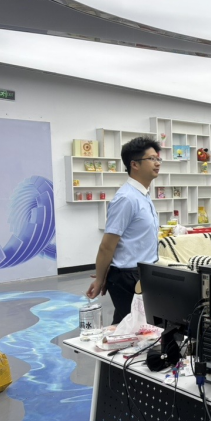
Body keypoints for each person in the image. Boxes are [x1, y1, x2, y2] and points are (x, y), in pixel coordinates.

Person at [86, 137, 161, 324]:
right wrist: (100, 278)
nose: (157, 163)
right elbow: (107, 246)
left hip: (143, 272)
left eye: (158, 158)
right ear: (134, 164)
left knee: (128, 326)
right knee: (135, 328)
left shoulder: (143, 195)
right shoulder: (126, 198)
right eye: (151, 159)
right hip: (127, 276)